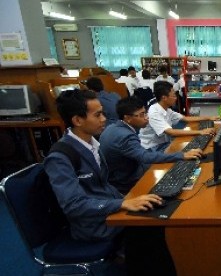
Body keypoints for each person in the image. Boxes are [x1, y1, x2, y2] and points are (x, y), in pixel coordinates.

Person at [44, 89, 176, 275]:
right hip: (92, 224)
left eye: (103, 113)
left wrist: (130, 200)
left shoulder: (92, 144)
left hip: (109, 208)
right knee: (152, 229)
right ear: (78, 120)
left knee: (161, 210)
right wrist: (123, 203)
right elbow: (74, 205)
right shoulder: (60, 157)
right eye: (98, 114)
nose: (104, 118)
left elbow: (103, 186)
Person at [99, 96, 203, 194]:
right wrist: (182, 155)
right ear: (127, 118)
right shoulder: (125, 136)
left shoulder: (113, 127)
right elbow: (145, 157)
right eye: (141, 114)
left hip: (120, 174)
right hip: (127, 181)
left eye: (145, 113)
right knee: (173, 169)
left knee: (171, 161)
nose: (146, 118)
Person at [139, 81, 217, 150]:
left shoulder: (166, 109)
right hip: (153, 148)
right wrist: (200, 132)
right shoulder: (154, 112)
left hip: (164, 143)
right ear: (164, 98)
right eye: (173, 96)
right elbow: (171, 132)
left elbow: (185, 119)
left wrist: (209, 117)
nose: (176, 98)